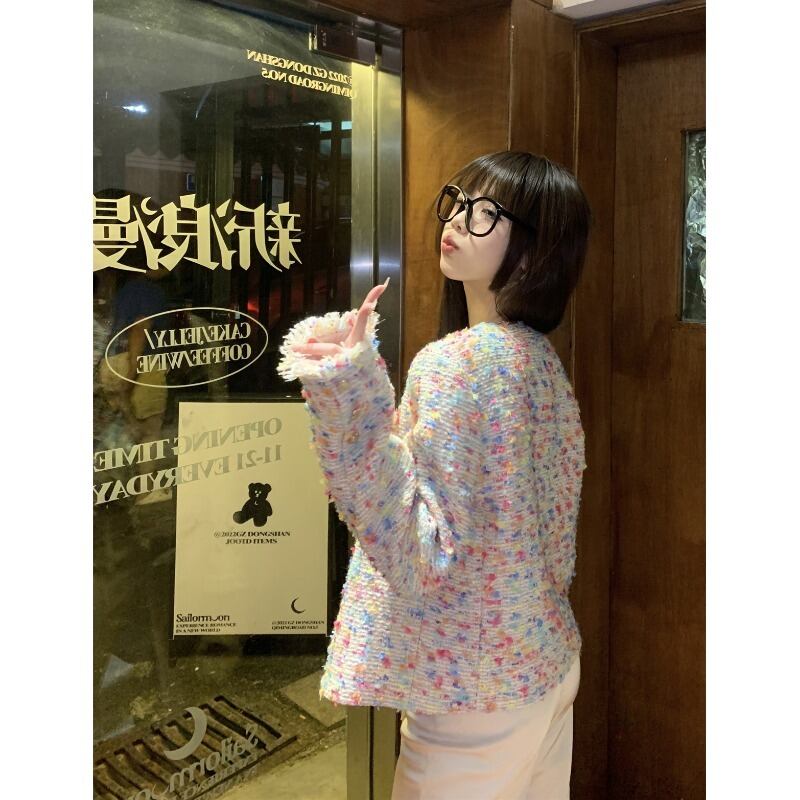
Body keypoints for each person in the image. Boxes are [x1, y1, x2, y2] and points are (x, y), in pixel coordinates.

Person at [276, 151, 592, 799]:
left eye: (486, 213)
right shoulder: (538, 359)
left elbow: (416, 552)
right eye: (459, 202)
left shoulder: (458, 362)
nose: (456, 220)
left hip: (474, 693)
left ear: (535, 251)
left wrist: (346, 388)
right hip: (543, 662)